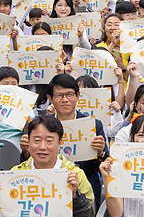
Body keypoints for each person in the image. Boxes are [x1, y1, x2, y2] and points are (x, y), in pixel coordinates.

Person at [46, 73, 108, 202]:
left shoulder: (92, 125)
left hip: (86, 190)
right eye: (59, 95)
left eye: (69, 95)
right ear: (50, 98)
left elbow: (103, 166)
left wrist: (100, 153)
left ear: (78, 96)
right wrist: (26, 150)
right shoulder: (42, 126)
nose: (64, 100)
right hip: (49, 189)